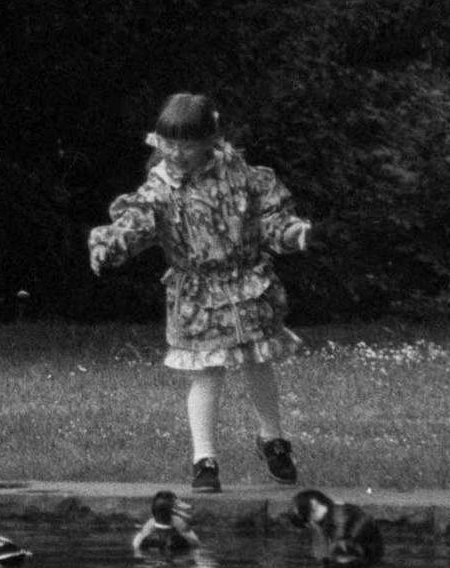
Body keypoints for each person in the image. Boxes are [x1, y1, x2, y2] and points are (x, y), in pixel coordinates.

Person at [88, 93, 311, 493]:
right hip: (197, 297)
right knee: (206, 374)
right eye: (169, 144)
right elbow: (136, 221)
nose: (177, 153)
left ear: (211, 139)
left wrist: (296, 234)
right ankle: (204, 459)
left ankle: (272, 438)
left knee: (258, 362)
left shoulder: (242, 177)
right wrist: (111, 245)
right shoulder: (161, 187)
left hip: (247, 288)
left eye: (186, 144)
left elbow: (273, 220)